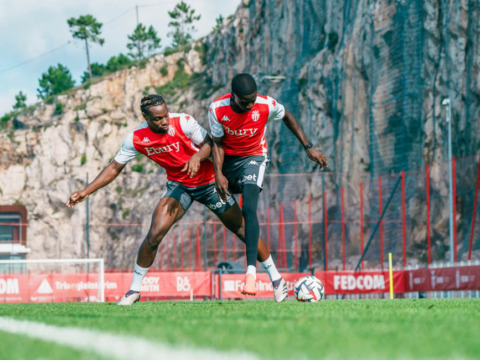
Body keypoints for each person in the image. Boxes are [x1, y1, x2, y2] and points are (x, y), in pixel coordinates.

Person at [66, 94, 288, 305]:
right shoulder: (136, 138)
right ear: (146, 118)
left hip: (209, 182)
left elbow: (211, 143)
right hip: (179, 186)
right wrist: (86, 191)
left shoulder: (184, 122)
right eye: (157, 118)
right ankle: (134, 290)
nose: (164, 121)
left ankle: (277, 280)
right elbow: (114, 167)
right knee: (154, 234)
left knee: (242, 229)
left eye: (165, 115)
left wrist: (197, 157)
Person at [208, 73, 328, 295]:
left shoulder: (265, 104)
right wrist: (218, 173)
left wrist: (308, 146)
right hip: (229, 162)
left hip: (254, 158)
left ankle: (251, 274)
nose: (250, 105)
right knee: (233, 220)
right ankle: (276, 278)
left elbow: (287, 116)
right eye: (245, 101)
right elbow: (216, 144)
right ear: (233, 96)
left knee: (250, 207)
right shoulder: (217, 109)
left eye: (253, 99)